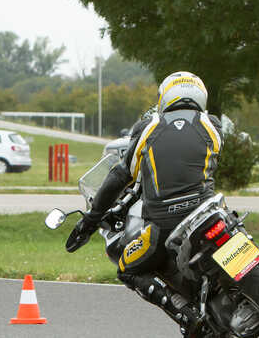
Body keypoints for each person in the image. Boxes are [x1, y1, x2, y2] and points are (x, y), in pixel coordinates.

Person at [68, 71, 222, 330]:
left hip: (165, 225)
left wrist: (91, 220)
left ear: (165, 97)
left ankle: (187, 317)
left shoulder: (147, 128)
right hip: (211, 211)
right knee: (233, 230)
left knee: (127, 267)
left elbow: (119, 176)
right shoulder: (213, 125)